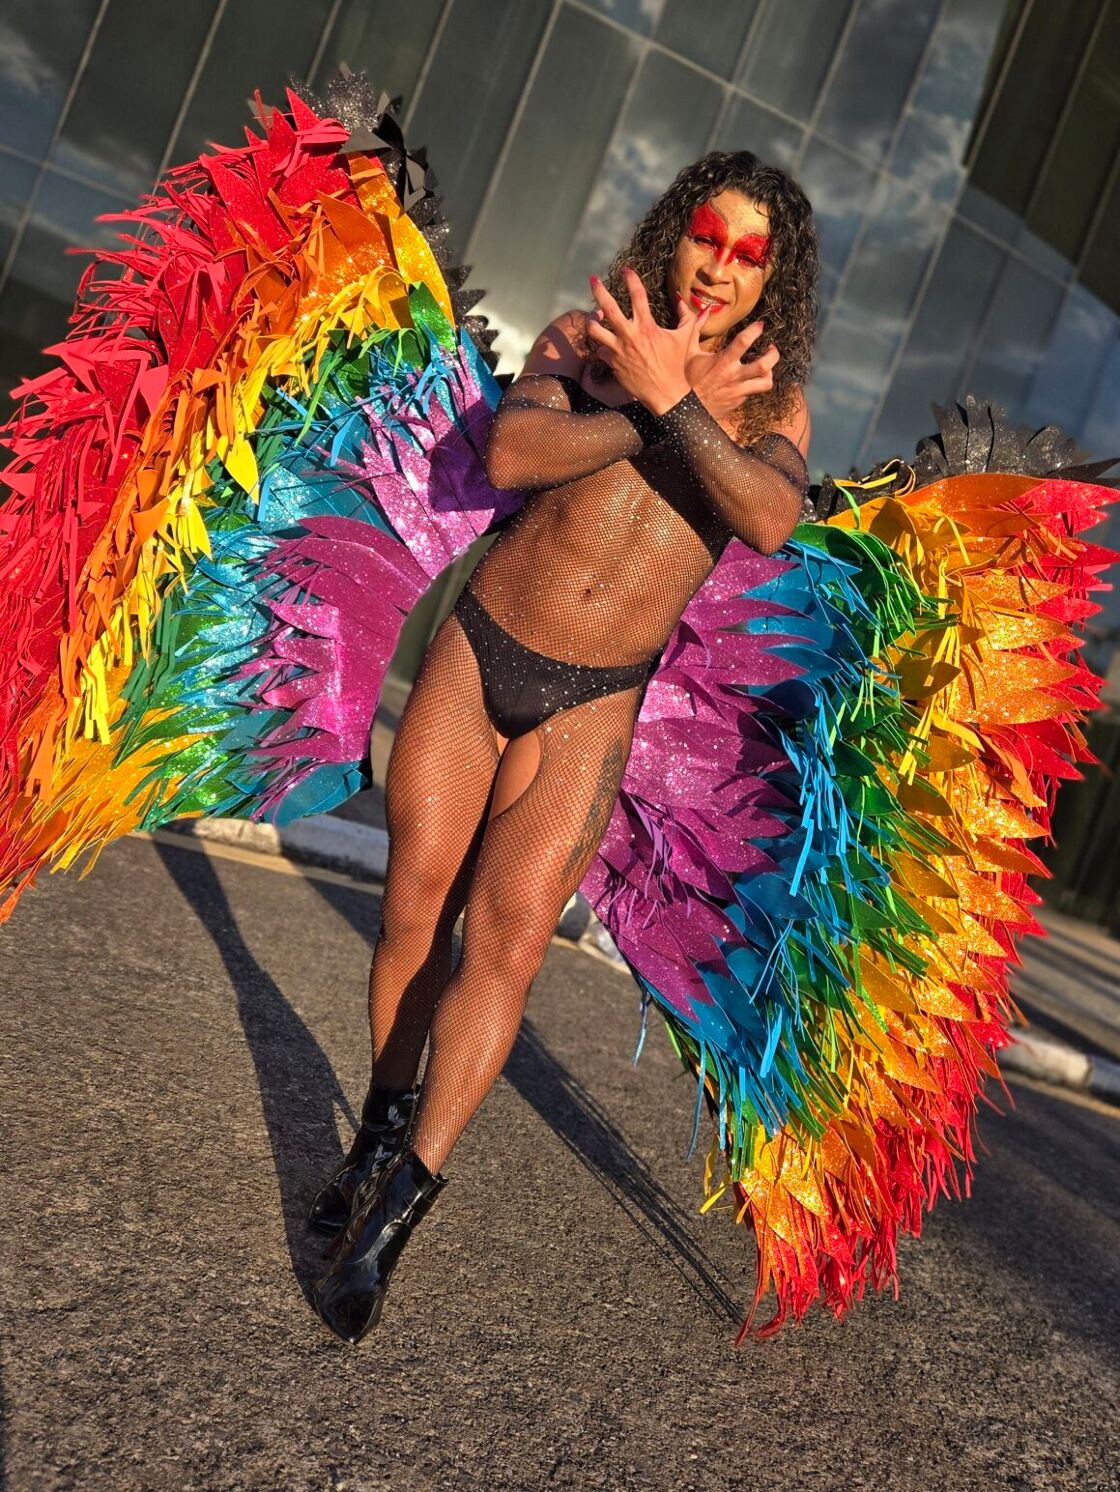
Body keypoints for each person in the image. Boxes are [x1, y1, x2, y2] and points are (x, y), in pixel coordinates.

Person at [310, 151, 820, 1344]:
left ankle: (392, 1215)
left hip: (594, 701)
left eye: (753, 253)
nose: (721, 263)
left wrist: (682, 401)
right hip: (482, 651)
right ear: (673, 232)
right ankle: (382, 1117)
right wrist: (643, 396)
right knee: (409, 909)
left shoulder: (770, 402)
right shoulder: (588, 333)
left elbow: (765, 514)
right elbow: (511, 460)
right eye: (709, 233)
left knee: (505, 948)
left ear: (772, 282)